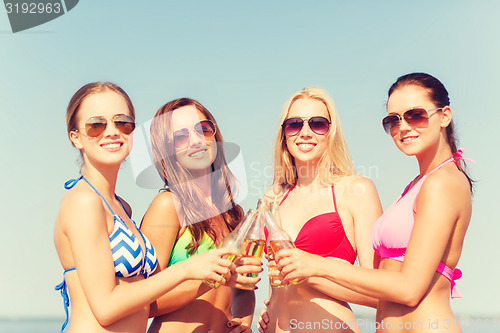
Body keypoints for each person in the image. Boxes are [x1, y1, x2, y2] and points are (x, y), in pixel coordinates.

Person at [275, 73, 473, 332]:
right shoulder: (418, 184)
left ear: (444, 116)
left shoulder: (443, 183)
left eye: (416, 115)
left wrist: (316, 266)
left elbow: (409, 289)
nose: (403, 127)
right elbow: (382, 284)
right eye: (393, 119)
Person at [54, 83, 239, 333]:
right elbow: (106, 308)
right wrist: (189, 269)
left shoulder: (122, 208)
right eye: (96, 125)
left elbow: (140, 295)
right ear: (75, 136)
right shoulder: (84, 201)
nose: (111, 132)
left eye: (123, 123)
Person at [258, 87, 383, 333]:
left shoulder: (356, 190)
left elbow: (380, 293)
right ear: (284, 134)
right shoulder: (272, 198)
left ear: (331, 131)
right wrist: (272, 309)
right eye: (294, 124)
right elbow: (277, 281)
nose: (305, 133)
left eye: (317, 124)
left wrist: (309, 275)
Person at [141, 97, 262, 333]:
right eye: (181, 137)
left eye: (203, 129)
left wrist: (244, 323)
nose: (196, 141)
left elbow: (242, 291)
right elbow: (144, 302)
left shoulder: (232, 213)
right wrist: (212, 280)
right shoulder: (168, 205)